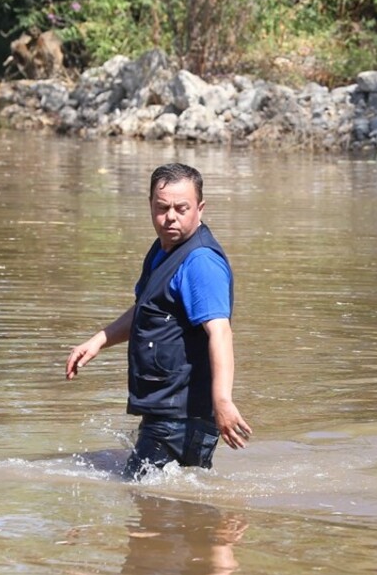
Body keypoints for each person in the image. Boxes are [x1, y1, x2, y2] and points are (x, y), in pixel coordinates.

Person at [65, 162, 252, 478]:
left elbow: (220, 332)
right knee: (165, 507)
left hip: (182, 416)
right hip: (166, 410)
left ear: (200, 208)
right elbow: (147, 309)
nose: (171, 217)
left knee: (141, 502)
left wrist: (222, 400)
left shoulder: (201, 262)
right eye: (162, 207)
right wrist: (100, 340)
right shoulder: (163, 249)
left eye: (182, 208)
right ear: (150, 205)